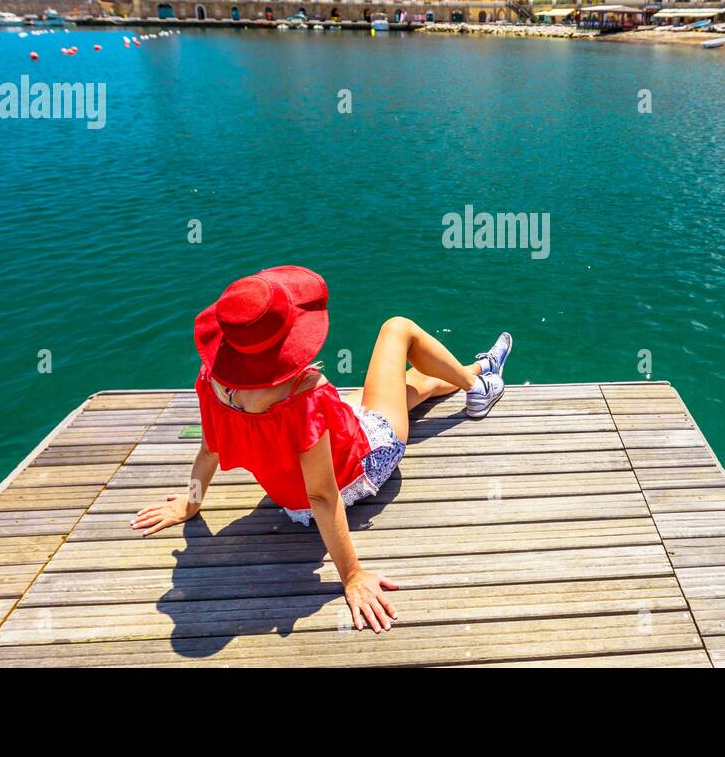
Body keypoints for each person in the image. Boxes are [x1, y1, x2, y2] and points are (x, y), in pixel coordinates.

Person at [131, 266, 512, 633]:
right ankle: (478, 386)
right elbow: (322, 495)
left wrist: (190, 503)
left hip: (290, 498)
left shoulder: (213, 382)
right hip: (367, 463)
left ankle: (479, 369)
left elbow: (210, 450)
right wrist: (352, 575)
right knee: (397, 329)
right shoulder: (306, 394)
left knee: (407, 385)